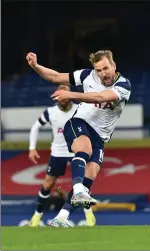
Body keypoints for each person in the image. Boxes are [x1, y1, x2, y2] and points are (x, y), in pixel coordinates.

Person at [26, 50, 131, 227]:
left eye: (106, 68)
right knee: (84, 150)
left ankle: (61, 217)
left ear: (114, 66)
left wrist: (71, 94)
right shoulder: (86, 76)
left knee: (89, 178)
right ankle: (77, 189)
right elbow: (55, 77)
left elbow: (101, 96)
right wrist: (36, 66)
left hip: (100, 137)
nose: (103, 73)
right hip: (78, 123)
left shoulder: (124, 85)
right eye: (98, 70)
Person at [27, 85, 96, 227]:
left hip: (76, 150)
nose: (63, 98)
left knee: (83, 182)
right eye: (60, 95)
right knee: (48, 184)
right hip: (58, 152)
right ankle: (37, 215)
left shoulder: (79, 109)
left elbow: (92, 125)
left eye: (65, 95)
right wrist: (32, 148)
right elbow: (35, 126)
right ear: (56, 97)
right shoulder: (50, 112)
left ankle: (89, 214)